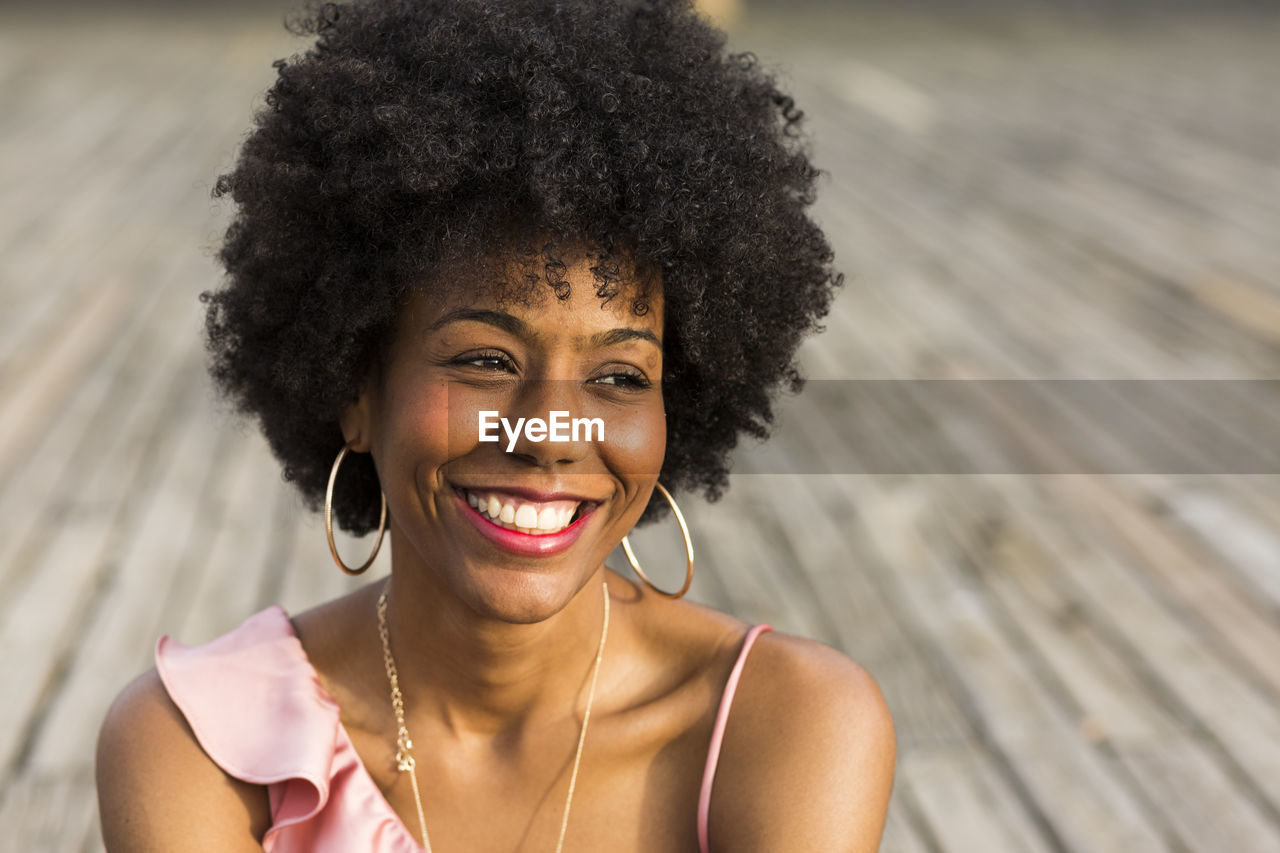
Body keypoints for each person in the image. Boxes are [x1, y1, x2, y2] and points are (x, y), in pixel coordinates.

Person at [95, 0, 896, 850]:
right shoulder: (201, 745)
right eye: (484, 360)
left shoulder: (788, 726)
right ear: (354, 391)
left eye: (619, 375)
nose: (551, 431)